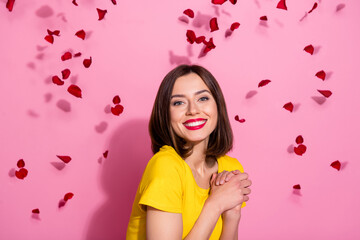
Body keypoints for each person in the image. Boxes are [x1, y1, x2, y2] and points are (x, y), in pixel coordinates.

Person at [126, 64, 252, 240]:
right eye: (179, 102)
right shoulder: (165, 166)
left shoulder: (230, 167)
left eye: (202, 99)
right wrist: (215, 204)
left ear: (217, 105)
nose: (193, 110)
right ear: (166, 114)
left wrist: (232, 213)